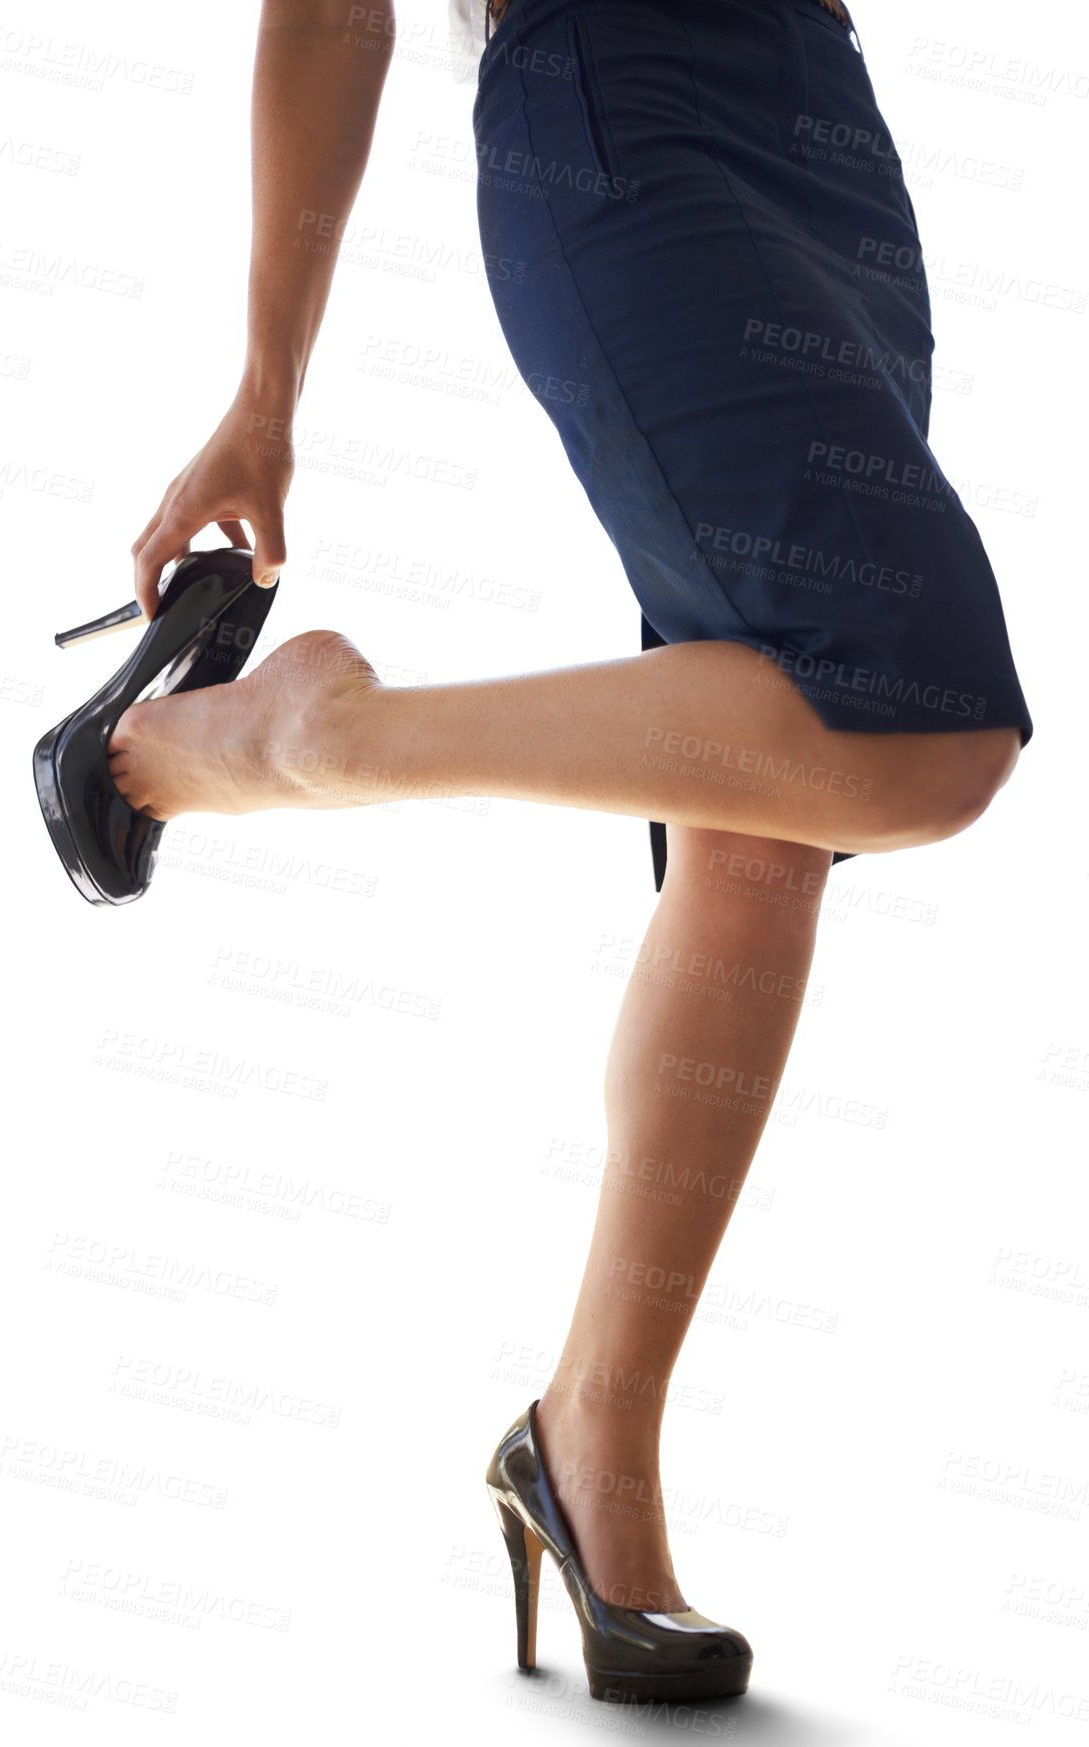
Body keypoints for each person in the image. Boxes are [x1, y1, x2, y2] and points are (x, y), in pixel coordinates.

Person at [104, 0, 1033, 1703]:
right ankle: (315, 739)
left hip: (819, 124)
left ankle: (587, 1446)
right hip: (618, 113)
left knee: (769, 810)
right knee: (915, 722)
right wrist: (263, 390)